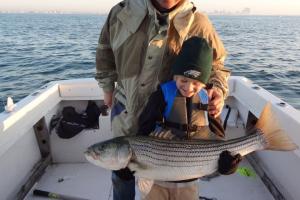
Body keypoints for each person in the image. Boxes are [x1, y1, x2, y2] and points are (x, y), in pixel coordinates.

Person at [95, 0, 230, 199]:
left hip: (166, 124)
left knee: (162, 182)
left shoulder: (199, 23)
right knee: (121, 178)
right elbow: (104, 50)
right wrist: (107, 87)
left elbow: (217, 65)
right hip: (125, 112)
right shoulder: (119, 12)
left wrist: (217, 89)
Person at [137, 36, 241, 200]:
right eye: (183, 80)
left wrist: (228, 166)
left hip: (190, 182)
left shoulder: (208, 100)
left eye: (196, 83)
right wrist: (129, 164)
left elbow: (220, 139)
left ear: (205, 82)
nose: (188, 87)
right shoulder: (161, 95)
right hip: (157, 178)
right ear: (175, 76)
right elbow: (142, 132)